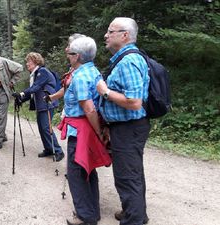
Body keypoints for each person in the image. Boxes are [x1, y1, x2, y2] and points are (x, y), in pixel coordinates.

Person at [96, 17, 150, 225]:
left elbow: (134, 102)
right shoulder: (124, 59)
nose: (106, 35)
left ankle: (133, 219)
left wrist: (105, 92)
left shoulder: (129, 61)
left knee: (128, 176)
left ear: (124, 35)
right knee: (132, 172)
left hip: (129, 128)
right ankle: (134, 212)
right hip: (125, 127)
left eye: (111, 31)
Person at [57, 36, 111, 225]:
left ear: (77, 56)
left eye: (70, 53)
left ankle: (85, 216)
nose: (68, 56)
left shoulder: (79, 76)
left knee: (76, 173)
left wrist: (98, 131)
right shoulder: (93, 70)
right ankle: (92, 212)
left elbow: (89, 108)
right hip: (87, 128)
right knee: (88, 170)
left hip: (80, 131)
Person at [12, 52, 64, 161]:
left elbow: (36, 87)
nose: (27, 64)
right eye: (27, 62)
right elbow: (32, 93)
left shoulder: (42, 72)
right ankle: (49, 149)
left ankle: (58, 151)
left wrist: (21, 94)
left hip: (47, 103)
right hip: (41, 104)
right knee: (42, 128)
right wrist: (20, 99)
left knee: (46, 127)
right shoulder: (34, 75)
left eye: (29, 61)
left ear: (36, 61)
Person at [0, 47, 23, 150]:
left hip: (2, 91)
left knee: (1, 115)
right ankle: (2, 135)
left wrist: (12, 82)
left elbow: (19, 68)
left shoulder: (4, 62)